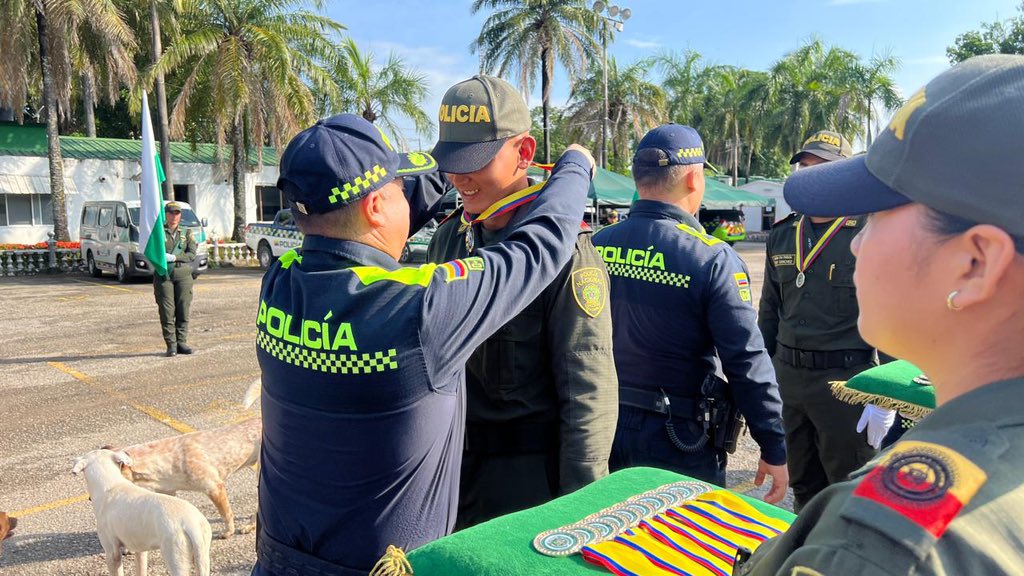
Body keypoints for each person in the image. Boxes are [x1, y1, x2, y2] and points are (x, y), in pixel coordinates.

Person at [252, 113, 595, 575]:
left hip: (279, 556)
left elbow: (362, 217)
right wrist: (576, 165)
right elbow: (539, 247)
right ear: (376, 206)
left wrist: (460, 161)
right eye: (396, 190)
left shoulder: (281, 280)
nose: (408, 199)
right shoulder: (419, 309)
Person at [737, 54, 1024, 576]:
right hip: (793, 372)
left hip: (841, 373)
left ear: (975, 263)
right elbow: (770, 316)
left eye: (878, 213)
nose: (861, 241)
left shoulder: (882, 546)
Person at [427, 75, 617, 528]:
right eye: (452, 162)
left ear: (524, 154)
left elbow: (587, 387)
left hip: (529, 484)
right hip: (456, 471)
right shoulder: (450, 236)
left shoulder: (566, 252)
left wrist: (582, 509)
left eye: (475, 161)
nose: (459, 178)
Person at [591, 123, 788, 503]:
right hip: (678, 438)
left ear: (638, 178)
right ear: (695, 178)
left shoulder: (595, 245)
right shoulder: (713, 258)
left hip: (599, 427)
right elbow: (745, 360)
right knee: (680, 552)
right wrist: (773, 444)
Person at [757, 129, 877, 511]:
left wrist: (888, 397)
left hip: (845, 385)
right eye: (804, 168)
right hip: (789, 380)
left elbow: (890, 315)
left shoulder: (867, 232)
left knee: (846, 490)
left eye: (820, 168)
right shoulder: (783, 234)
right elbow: (769, 313)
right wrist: (760, 379)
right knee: (804, 486)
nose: (808, 176)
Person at [154, 201, 197, 357]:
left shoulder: (187, 233)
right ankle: (171, 345)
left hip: (183, 276)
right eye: (171, 212)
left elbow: (191, 254)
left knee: (183, 309)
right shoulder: (158, 232)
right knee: (167, 311)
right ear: (166, 214)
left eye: (177, 213)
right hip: (164, 276)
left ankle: (181, 342)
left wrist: (174, 257)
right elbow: (151, 252)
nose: (174, 216)